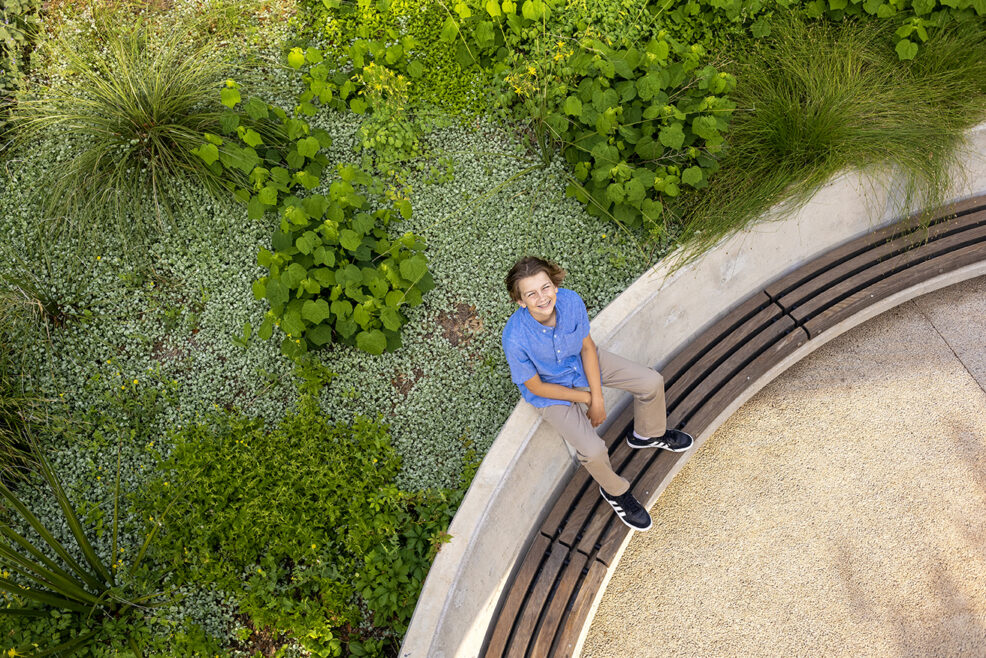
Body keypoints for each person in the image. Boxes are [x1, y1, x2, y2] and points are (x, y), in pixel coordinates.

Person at [501, 256, 693, 531]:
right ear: (520, 301)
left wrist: (598, 397)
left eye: (545, 287)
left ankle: (647, 434)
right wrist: (589, 399)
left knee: (650, 382)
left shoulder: (569, 301)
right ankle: (615, 492)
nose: (542, 297)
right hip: (550, 392)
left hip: (580, 364)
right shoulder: (515, 338)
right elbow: (536, 387)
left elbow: (588, 348)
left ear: (554, 285)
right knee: (592, 450)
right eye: (531, 294)